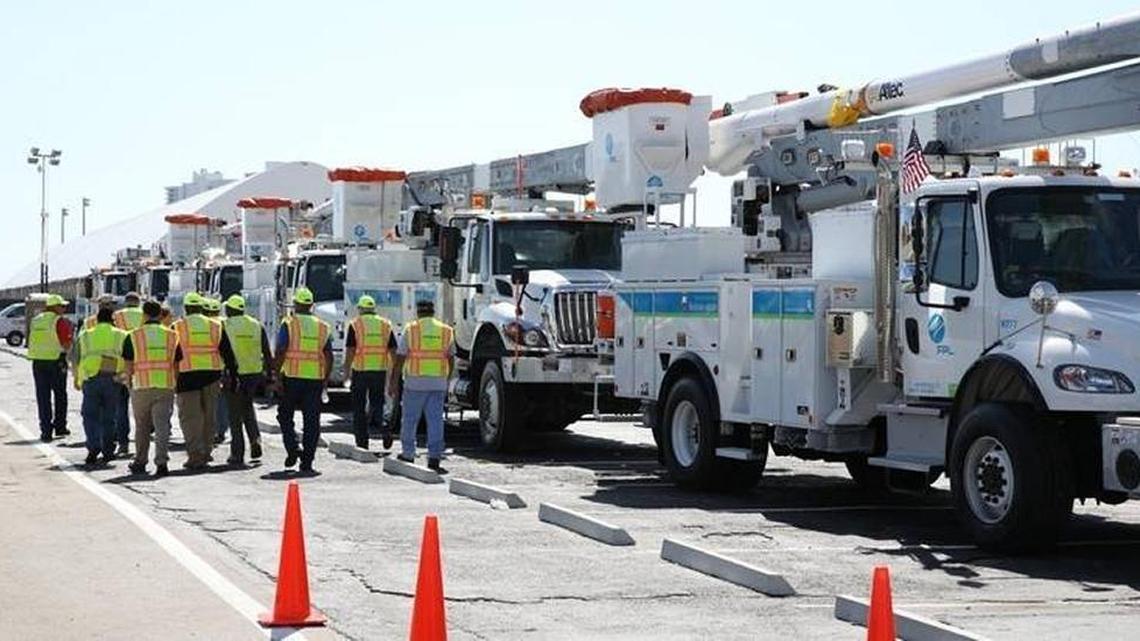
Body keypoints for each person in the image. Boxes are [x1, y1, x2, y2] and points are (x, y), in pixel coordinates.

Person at [388, 299, 455, 472]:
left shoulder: (411, 330)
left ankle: (408, 453)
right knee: (435, 420)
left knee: (410, 420)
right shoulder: (446, 331)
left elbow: (400, 358)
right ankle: (434, 457)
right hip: (438, 382)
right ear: (433, 312)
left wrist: (393, 382)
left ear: (418, 312)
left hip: (415, 382)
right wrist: (446, 379)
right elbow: (451, 358)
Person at [272, 287, 332, 474]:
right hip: (314, 379)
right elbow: (328, 355)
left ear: (296, 304)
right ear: (311, 305)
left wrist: (276, 375)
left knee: (284, 416)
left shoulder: (289, 324)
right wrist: (325, 379)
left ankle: (292, 447)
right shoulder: (323, 326)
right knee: (312, 422)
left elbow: (281, 350)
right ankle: (307, 462)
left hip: (291, 378)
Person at [124, 300, 180, 477]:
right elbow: (177, 363)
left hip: (141, 385)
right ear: (160, 314)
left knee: (142, 426)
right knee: (162, 426)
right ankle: (162, 462)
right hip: (165, 385)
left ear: (144, 314)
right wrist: (175, 382)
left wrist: (128, 381)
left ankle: (140, 461)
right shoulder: (172, 335)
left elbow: (128, 363)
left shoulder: (134, 336)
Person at [172, 292, 228, 470]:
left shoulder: (177, 326)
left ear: (186, 308)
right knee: (209, 416)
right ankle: (206, 451)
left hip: (186, 376)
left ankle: (195, 454)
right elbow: (226, 351)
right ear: (201, 307)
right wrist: (231, 374)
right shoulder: (215, 326)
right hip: (211, 375)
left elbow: (171, 354)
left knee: (190, 418)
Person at [220, 294, 271, 466]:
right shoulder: (256, 325)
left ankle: (237, 453)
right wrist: (270, 375)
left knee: (234, 415)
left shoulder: (225, 325)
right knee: (247, 407)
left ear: (230, 310)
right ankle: (255, 439)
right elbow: (266, 352)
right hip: (254, 374)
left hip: (234, 375)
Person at [75, 307, 129, 466]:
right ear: (113, 320)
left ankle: (93, 446)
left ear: (97, 320)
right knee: (109, 417)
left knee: (90, 415)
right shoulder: (122, 335)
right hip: (113, 379)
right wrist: (125, 378)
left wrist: (77, 379)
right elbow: (128, 359)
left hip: (90, 379)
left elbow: (76, 358)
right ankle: (108, 450)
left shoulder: (85, 335)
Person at [343, 294, 396, 450]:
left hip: (360, 371)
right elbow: (393, 350)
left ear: (360, 309)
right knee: (377, 403)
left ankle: (362, 442)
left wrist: (346, 371)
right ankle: (384, 427)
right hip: (379, 371)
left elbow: (351, 350)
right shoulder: (385, 325)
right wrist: (394, 372)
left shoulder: (355, 324)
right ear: (373, 309)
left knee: (359, 407)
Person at [28, 294, 74, 441]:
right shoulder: (59, 321)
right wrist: (69, 354)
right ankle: (60, 427)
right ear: (55, 307)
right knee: (60, 395)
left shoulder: (36, 320)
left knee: (43, 397)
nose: (64, 309)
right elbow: (66, 343)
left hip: (38, 362)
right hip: (56, 361)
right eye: (62, 306)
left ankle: (45, 431)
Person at [109, 291, 145, 457]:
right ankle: (143, 440)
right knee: (143, 408)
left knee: (121, 407)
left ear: (126, 302)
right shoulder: (145, 315)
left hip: (122, 365)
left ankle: (123, 443)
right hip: (143, 366)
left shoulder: (117, 316)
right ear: (138, 302)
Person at [204, 297, 230, 448]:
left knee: (207, 404)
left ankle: (209, 432)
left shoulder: (206, 325)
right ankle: (221, 431)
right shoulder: (224, 324)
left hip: (206, 369)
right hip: (222, 368)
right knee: (222, 403)